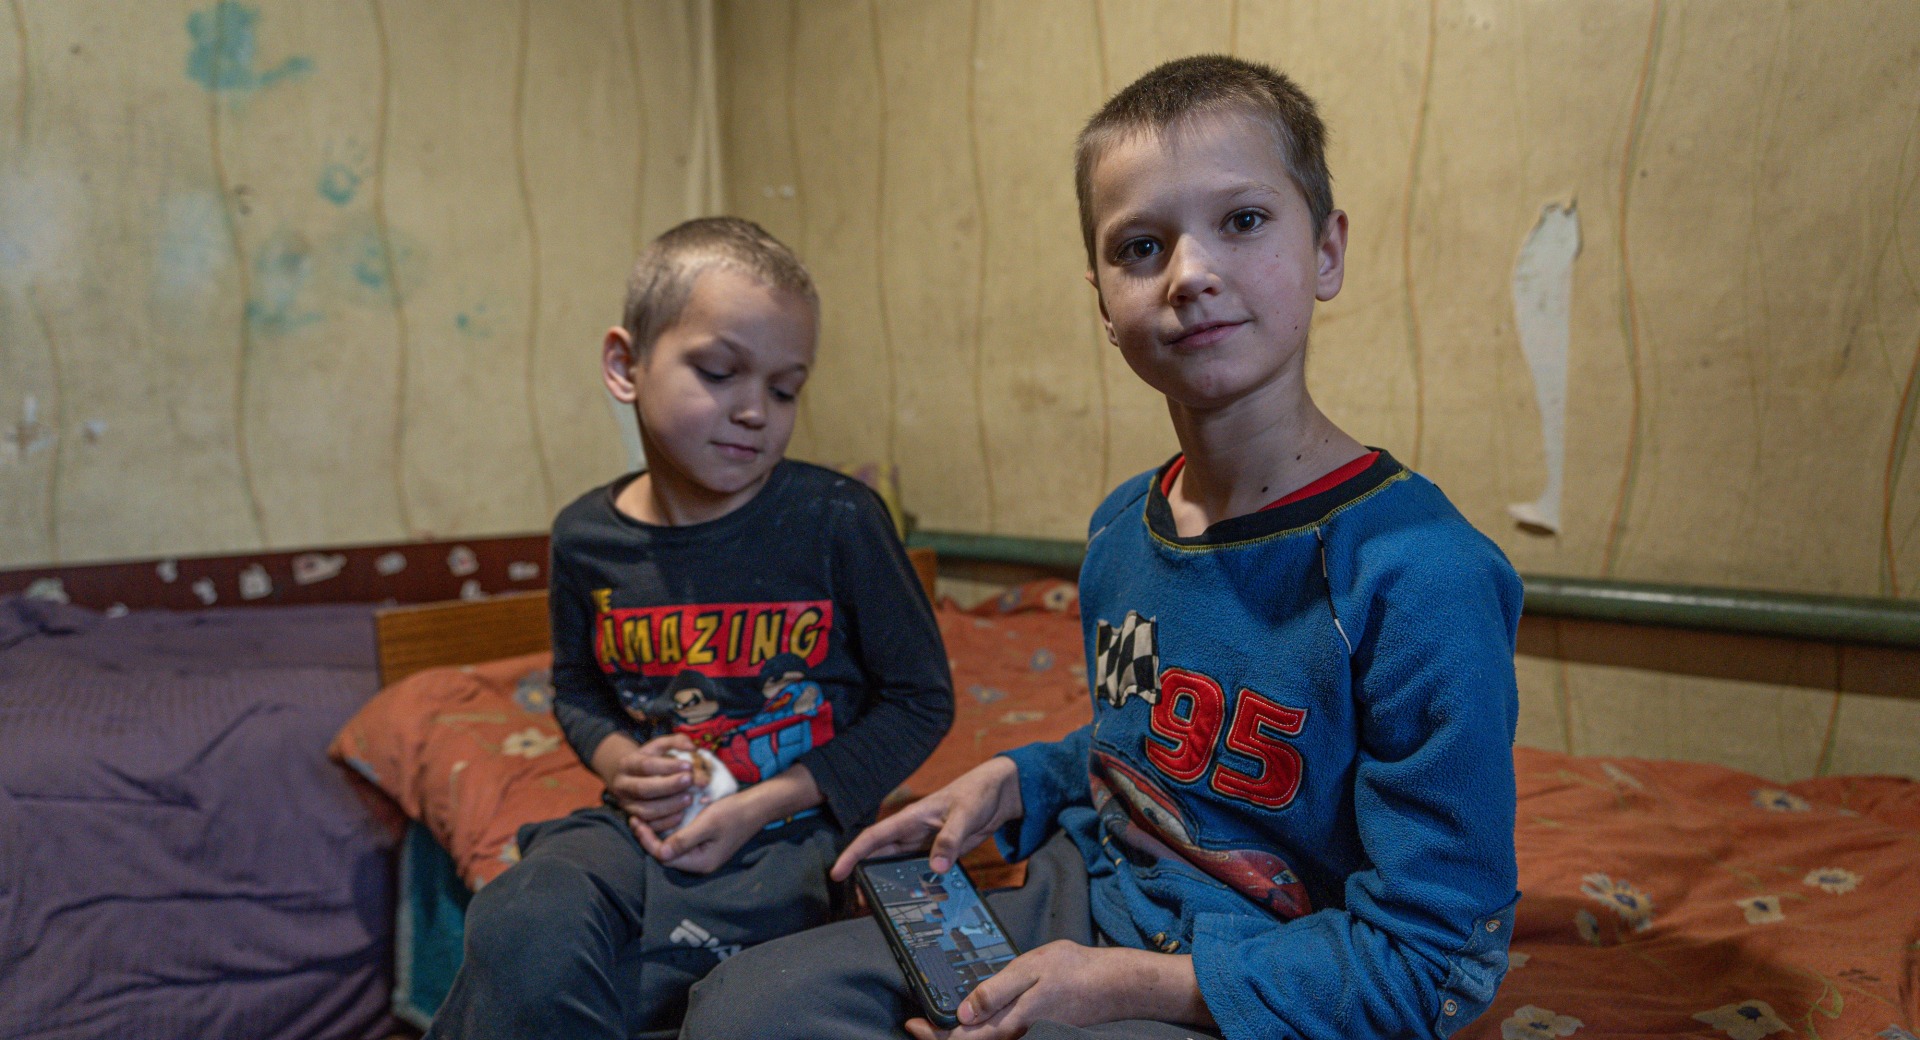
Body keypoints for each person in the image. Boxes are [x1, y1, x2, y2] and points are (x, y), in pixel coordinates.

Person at [679, 55, 1523, 1040]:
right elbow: (1157, 745)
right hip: (1087, 899)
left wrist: (1124, 986)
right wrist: (1016, 778)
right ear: (1101, 298)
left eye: (1243, 221)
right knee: (741, 1007)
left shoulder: (1424, 575)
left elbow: (1438, 964)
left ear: (1328, 249)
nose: (1191, 273)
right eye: (1141, 246)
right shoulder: (1125, 527)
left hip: (1253, 975)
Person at [426, 217, 954, 1040]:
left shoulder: (836, 520)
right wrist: (622, 762)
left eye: (785, 389)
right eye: (718, 372)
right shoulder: (585, 538)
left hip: (787, 831)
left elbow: (920, 701)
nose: (755, 412)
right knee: (523, 916)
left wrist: (767, 803)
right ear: (624, 365)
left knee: (671, 983)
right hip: (636, 826)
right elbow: (578, 689)